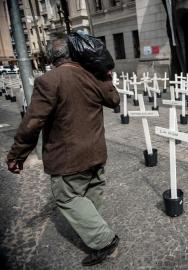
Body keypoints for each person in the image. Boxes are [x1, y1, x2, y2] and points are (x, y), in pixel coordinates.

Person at [6, 32, 120, 266]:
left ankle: (104, 241)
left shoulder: (49, 80)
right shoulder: (92, 76)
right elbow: (114, 101)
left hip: (69, 158)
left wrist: (17, 155)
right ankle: (95, 231)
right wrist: (106, 76)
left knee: (66, 197)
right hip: (96, 152)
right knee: (90, 193)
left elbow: (32, 123)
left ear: (52, 58)